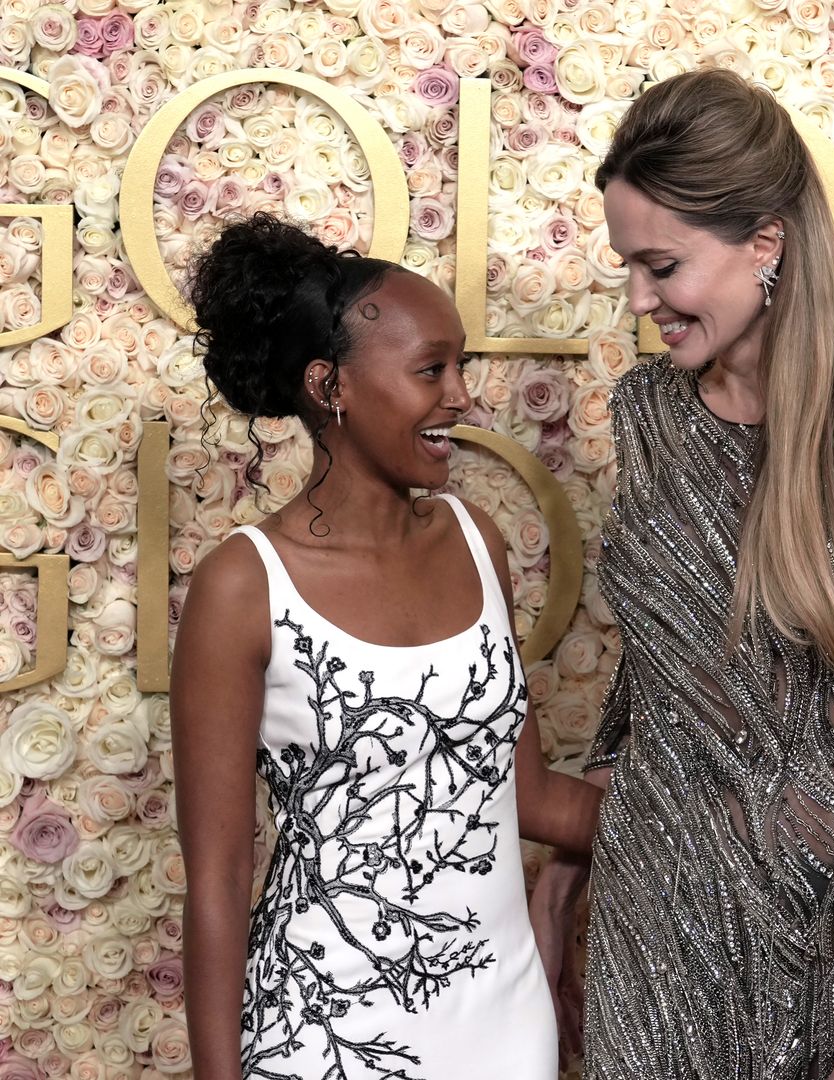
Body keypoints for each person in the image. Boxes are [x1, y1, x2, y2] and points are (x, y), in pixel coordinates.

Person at [530, 69, 834, 1080]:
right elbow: (667, 672)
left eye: (662, 266)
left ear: (766, 244)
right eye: (628, 268)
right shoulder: (648, 414)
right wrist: (564, 880)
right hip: (654, 926)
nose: (641, 300)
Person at [170, 214, 602, 1080]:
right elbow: (218, 879)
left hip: (505, 1024)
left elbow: (522, 797)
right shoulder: (243, 586)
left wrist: (715, 821)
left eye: (461, 366)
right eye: (431, 370)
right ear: (330, 384)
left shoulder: (476, 541)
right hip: (319, 1033)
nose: (461, 397)